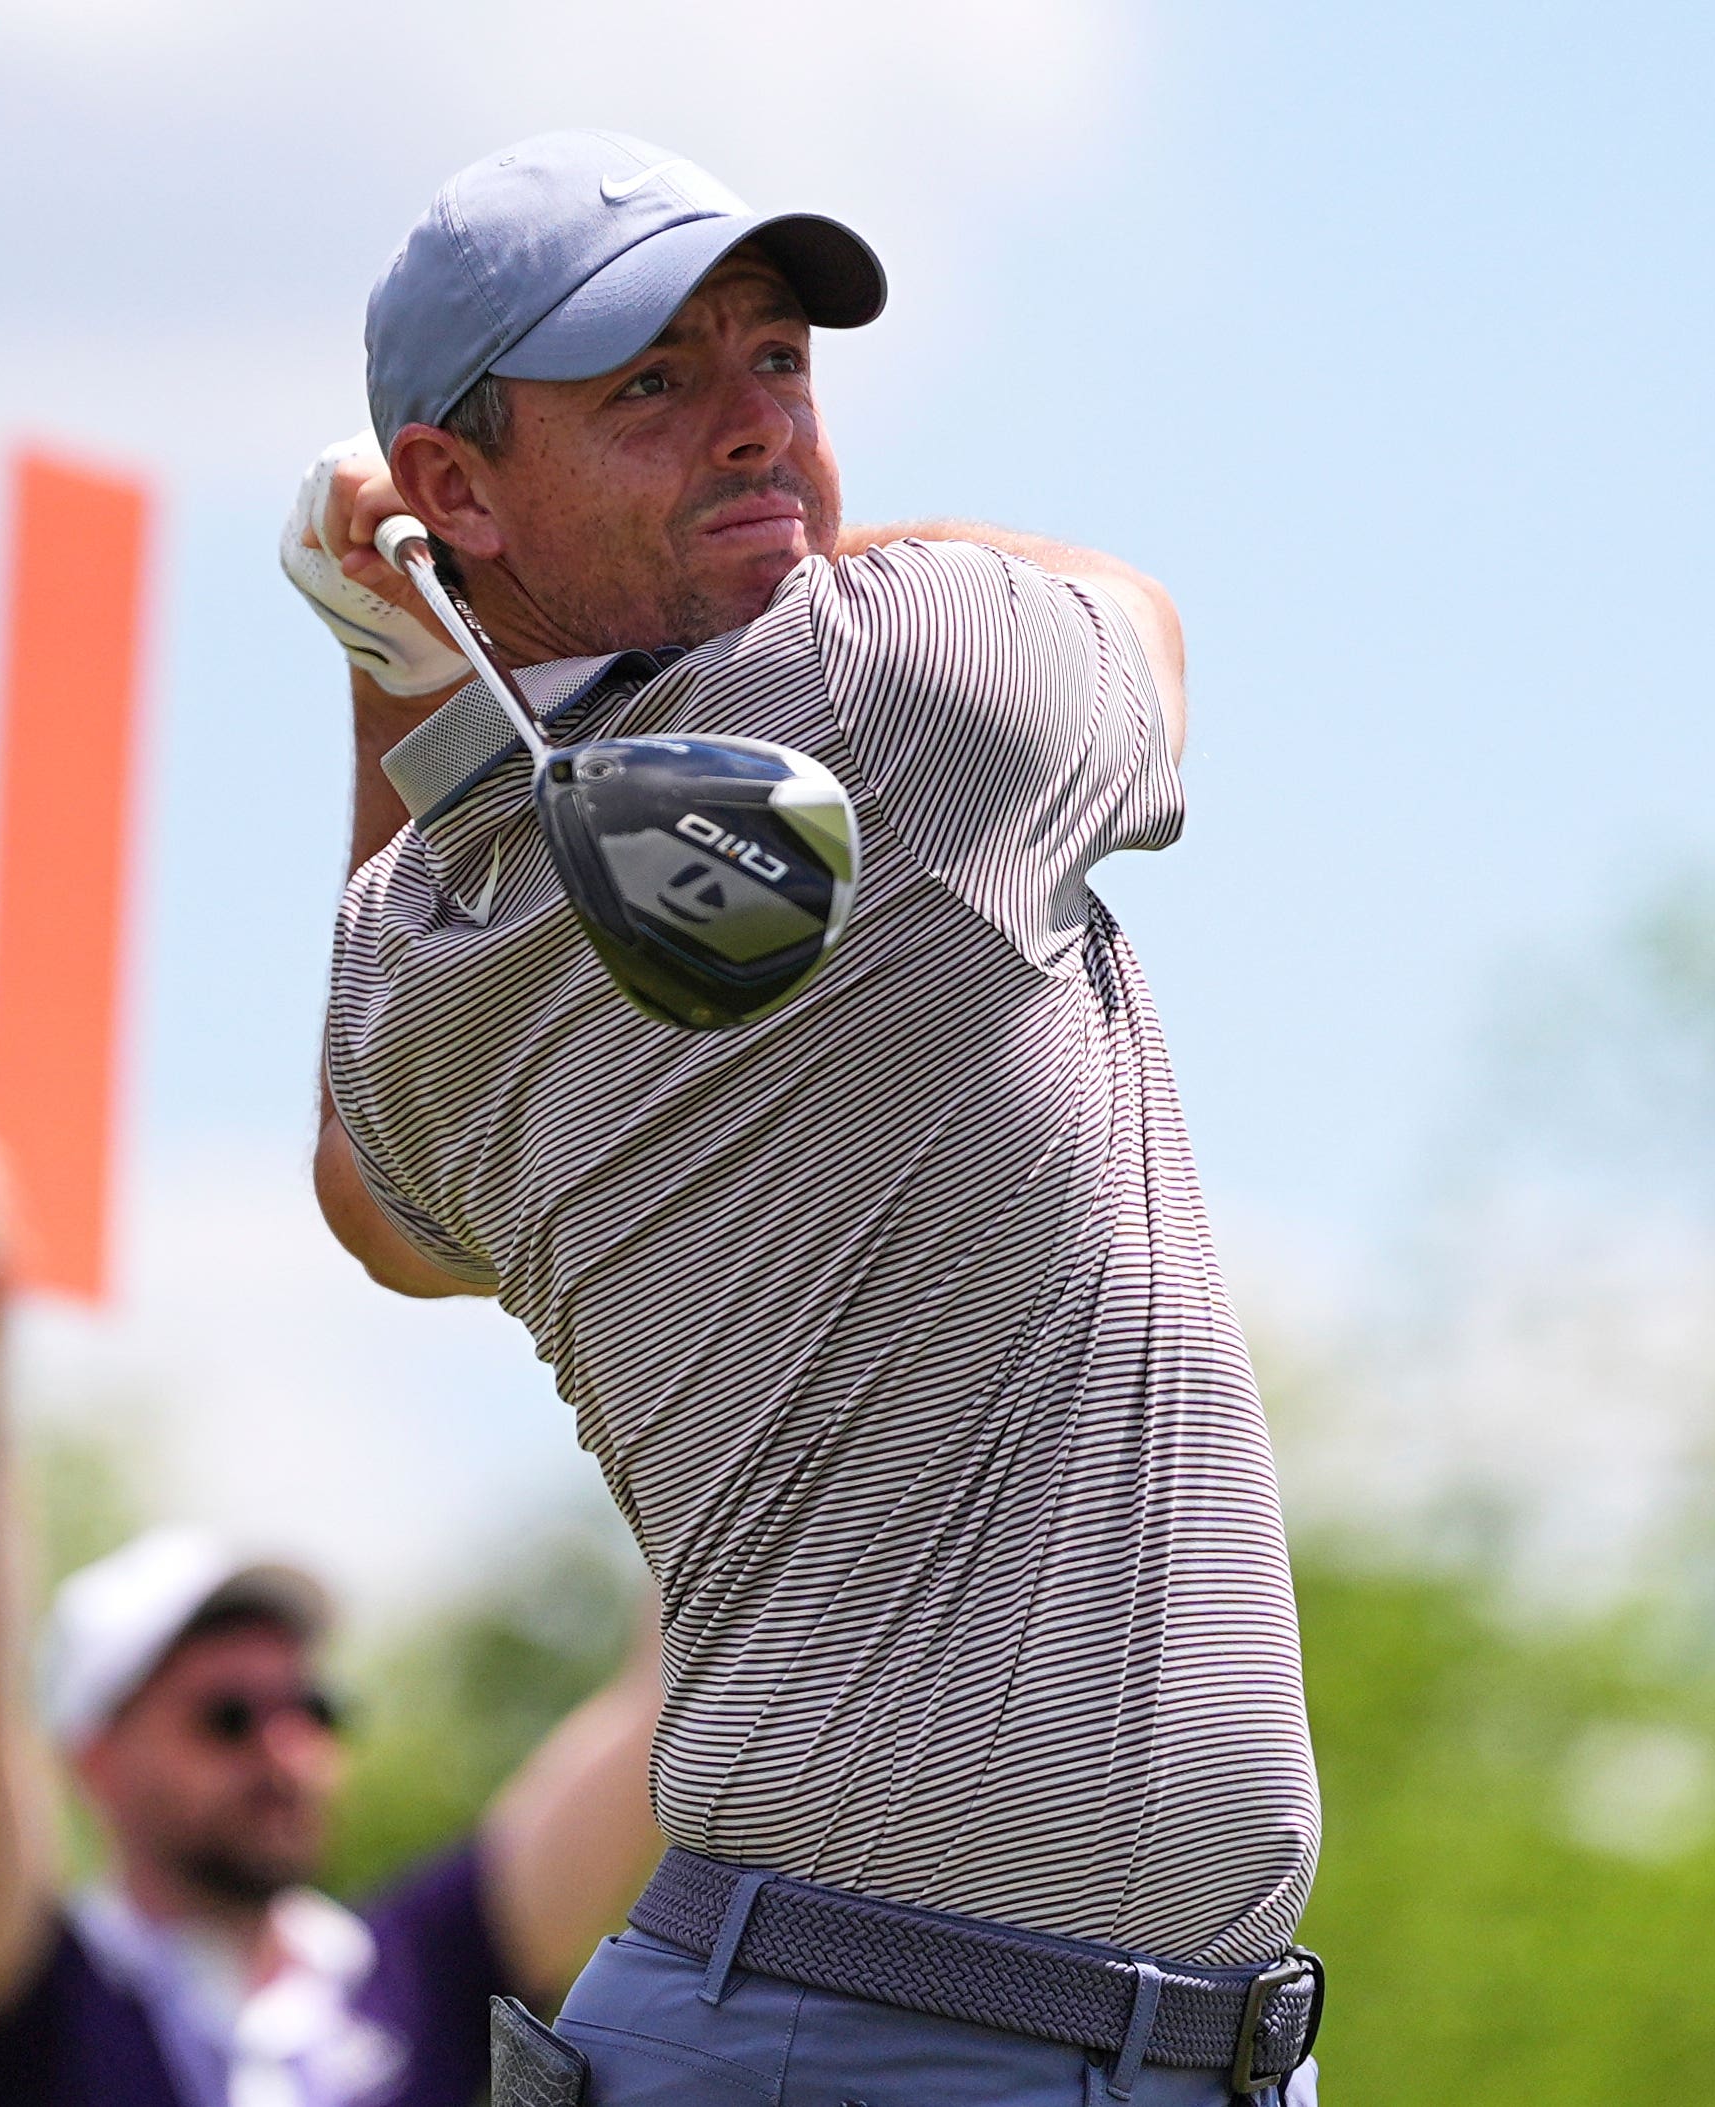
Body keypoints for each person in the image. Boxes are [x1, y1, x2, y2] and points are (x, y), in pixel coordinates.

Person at [284, 132, 1323, 2106]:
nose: (756, 424)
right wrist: (752, 565)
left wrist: (393, 668)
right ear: (453, 490)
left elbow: (375, 1207)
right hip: (865, 2043)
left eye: (775, 360)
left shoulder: (421, 956)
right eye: (654, 387)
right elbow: (1136, 616)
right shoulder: (911, 675)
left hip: (992, 2040)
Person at [0, 1163, 665, 2107]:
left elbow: (656, 1706)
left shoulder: (409, 1973)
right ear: (95, 1758)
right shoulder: (43, 1995)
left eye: (312, 1707)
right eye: (225, 1716)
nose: (284, 1746)